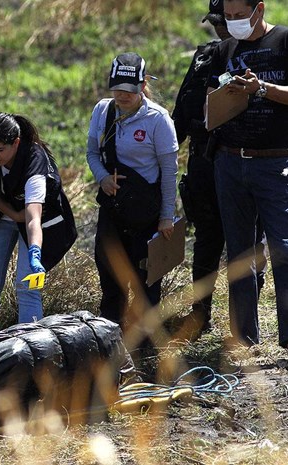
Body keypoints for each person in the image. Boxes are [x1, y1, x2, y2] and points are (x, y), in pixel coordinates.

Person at [172, 0, 266, 339]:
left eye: (227, 20)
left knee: (248, 247)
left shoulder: (261, 57)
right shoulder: (204, 59)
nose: (221, 28)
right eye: (218, 22)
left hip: (245, 163)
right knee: (207, 243)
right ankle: (200, 315)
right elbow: (180, 115)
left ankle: (245, 324)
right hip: (204, 164)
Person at [206, 0, 288, 347]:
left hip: (275, 163)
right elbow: (210, 99)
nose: (235, 22)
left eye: (241, 15)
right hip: (230, 162)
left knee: (284, 249)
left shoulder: (283, 42)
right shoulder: (225, 49)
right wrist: (225, 96)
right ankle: (243, 339)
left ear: (260, 8)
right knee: (240, 254)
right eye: (229, 16)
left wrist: (262, 89)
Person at [86, 52, 178, 347]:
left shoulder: (157, 119)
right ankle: (110, 339)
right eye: (117, 90)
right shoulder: (102, 111)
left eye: (130, 90)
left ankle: (146, 345)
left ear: (143, 85)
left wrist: (166, 216)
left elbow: (169, 171)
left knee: (145, 280)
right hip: (113, 209)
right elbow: (91, 152)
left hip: (146, 213)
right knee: (110, 274)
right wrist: (102, 177)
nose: (123, 96)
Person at [0, 113, 77, 334]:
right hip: (1, 216)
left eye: (0, 150)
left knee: (27, 287)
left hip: (38, 221)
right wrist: (12, 214)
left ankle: (32, 355)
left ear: (16, 143)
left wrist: (35, 252)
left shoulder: (35, 163)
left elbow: (33, 219)